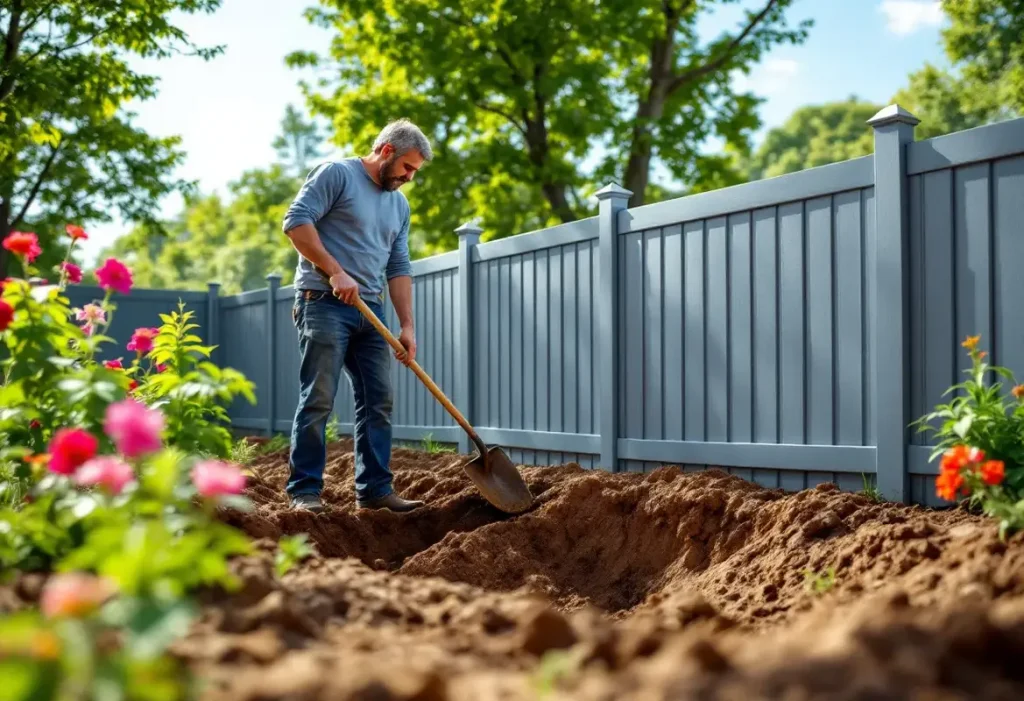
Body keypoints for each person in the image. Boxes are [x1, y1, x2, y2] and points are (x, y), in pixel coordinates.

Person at [280, 118, 431, 514]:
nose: (409, 177)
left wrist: (408, 326)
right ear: (386, 151)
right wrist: (334, 271)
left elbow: (399, 265)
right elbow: (295, 223)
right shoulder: (337, 175)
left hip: (371, 311)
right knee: (319, 398)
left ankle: (376, 491)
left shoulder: (399, 204)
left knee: (378, 400)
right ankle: (305, 491)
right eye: (407, 168)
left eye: (414, 171)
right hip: (323, 302)